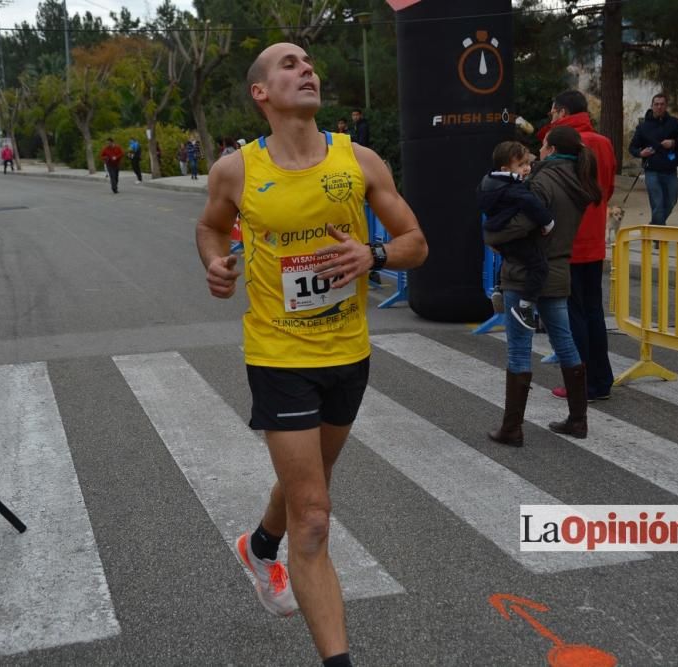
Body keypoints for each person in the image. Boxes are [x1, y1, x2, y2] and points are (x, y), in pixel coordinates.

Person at [195, 42, 427, 667]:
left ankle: (260, 544)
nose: (307, 69)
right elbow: (212, 226)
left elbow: (415, 242)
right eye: (289, 64)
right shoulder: (235, 171)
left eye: (309, 63)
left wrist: (372, 255)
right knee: (317, 516)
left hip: (348, 354)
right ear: (261, 93)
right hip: (278, 354)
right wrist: (216, 264)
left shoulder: (359, 161)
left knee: (309, 488)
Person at [485, 125, 601, 447]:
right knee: (565, 343)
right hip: (559, 268)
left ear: (551, 148)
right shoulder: (578, 179)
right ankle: (578, 420)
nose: (539, 151)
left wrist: (492, 236)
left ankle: (512, 427)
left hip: (524, 273)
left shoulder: (542, 181)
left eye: (543, 144)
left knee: (519, 348)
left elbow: (523, 224)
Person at [537, 90, 617, 402]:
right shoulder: (604, 143)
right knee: (594, 312)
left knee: (573, 316)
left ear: (562, 111)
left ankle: (580, 382)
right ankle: (601, 380)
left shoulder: (562, 144)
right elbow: (607, 189)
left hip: (566, 241)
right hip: (594, 239)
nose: (550, 117)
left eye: (552, 111)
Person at [477, 141, 555, 330]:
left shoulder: (488, 184)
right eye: (521, 165)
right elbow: (531, 204)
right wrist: (548, 222)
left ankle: (498, 288)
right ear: (505, 168)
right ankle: (526, 306)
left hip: (499, 233)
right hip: (514, 235)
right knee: (539, 266)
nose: (527, 168)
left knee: (508, 259)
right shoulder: (513, 188)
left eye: (528, 163)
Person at [628, 92, 678, 228]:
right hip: (651, 171)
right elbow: (632, 147)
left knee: (671, 201)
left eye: (662, 104)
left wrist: (673, 143)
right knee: (657, 203)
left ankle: (654, 225)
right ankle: (658, 235)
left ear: (666, 106)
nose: (659, 107)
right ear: (652, 106)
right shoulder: (643, 127)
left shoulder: (675, 123)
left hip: (670, 170)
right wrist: (641, 153)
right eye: (656, 104)